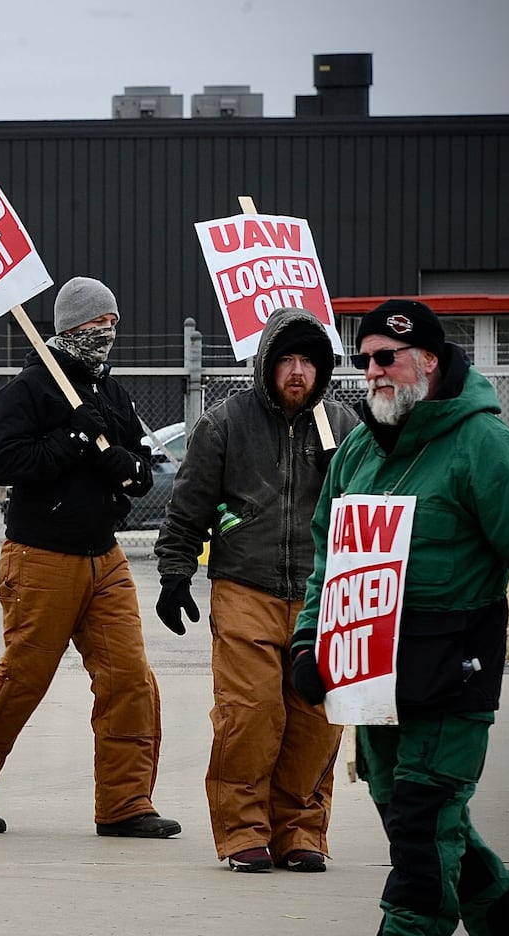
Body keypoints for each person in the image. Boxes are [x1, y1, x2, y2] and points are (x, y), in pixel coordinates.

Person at [290, 300, 509, 936]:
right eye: (362, 361)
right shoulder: (357, 449)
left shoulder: (484, 445)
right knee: (426, 823)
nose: (371, 372)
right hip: (371, 678)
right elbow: (327, 561)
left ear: (426, 357)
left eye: (384, 357)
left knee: (422, 830)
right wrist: (308, 641)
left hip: (454, 675)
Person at [0, 276, 181, 838]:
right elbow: (4, 463)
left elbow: (140, 466)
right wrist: (71, 439)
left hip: (105, 556)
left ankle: (125, 803)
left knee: (129, 679)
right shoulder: (30, 390)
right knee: (24, 678)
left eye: (114, 322)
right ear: (70, 328)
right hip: (41, 556)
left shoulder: (113, 393)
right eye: (98, 323)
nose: (108, 333)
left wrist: (127, 468)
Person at [153, 308, 359, 873]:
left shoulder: (345, 429)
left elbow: (375, 510)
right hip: (246, 587)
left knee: (315, 721)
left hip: (323, 594)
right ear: (267, 364)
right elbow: (188, 506)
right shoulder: (224, 425)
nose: (298, 372)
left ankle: (301, 832)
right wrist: (175, 572)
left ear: (324, 370)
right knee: (251, 714)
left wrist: (354, 466)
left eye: (309, 362)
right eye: (287, 360)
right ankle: (244, 829)